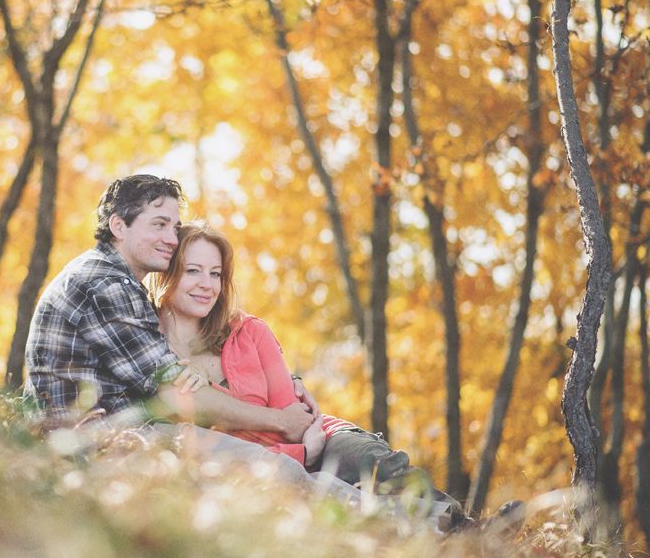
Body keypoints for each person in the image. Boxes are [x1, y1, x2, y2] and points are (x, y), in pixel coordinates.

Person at [149, 221, 475, 524]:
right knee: (339, 498)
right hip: (277, 464)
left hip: (320, 435)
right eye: (193, 271)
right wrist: (299, 455)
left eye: (216, 274)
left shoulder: (248, 331)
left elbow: (296, 422)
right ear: (166, 273)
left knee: (363, 460)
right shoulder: (152, 358)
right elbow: (220, 450)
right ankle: (449, 530)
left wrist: (305, 447)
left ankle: (470, 526)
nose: (207, 285)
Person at [23, 175, 317, 443]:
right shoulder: (106, 285)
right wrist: (282, 420)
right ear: (118, 226)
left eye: (175, 228)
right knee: (274, 471)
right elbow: (181, 397)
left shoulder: (109, 278)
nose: (172, 239)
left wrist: (285, 381)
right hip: (95, 443)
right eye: (159, 225)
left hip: (111, 435)